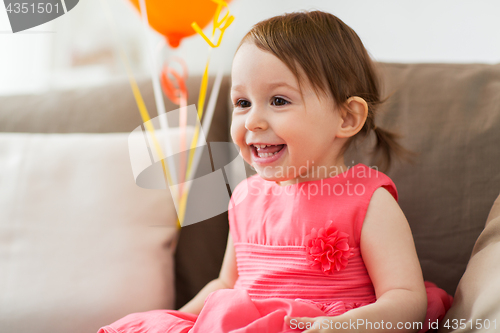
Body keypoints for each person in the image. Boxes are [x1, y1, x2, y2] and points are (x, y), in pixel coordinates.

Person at [98, 10, 453, 333]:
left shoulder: (367, 200)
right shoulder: (246, 197)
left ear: (346, 118)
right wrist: (182, 319)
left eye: (279, 101)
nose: (253, 120)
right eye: (242, 103)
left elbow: (406, 300)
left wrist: (340, 327)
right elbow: (226, 285)